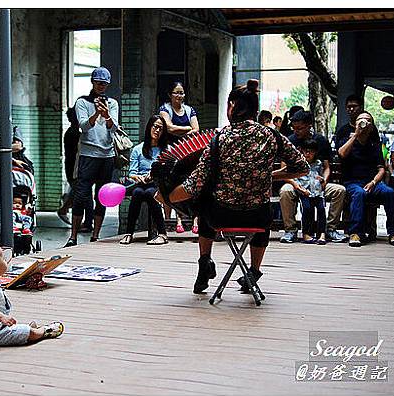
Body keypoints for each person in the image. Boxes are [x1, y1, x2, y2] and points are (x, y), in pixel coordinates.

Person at [156, 79, 309, 294]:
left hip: (222, 216)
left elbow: (195, 184)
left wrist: (167, 196)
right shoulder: (273, 136)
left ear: (232, 107)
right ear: (255, 109)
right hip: (258, 217)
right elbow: (302, 167)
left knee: (207, 198)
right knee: (262, 211)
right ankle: (253, 272)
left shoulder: (219, 138)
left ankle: (204, 262)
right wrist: (269, 176)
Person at [0, 241, 64, 346]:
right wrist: (2, 317)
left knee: (19, 329)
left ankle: (25, 330)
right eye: (4, 259)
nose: (6, 260)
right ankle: (43, 331)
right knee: (29, 332)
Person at [64, 67, 119, 247]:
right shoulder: (82, 102)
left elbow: (114, 129)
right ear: (93, 82)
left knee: (102, 196)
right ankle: (73, 236)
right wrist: (96, 113)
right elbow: (84, 127)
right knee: (81, 195)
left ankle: (96, 236)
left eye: (104, 83)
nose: (101, 86)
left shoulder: (113, 103)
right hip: (88, 155)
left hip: (107, 155)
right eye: (98, 82)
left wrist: (107, 115)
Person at [278, 110, 347, 243]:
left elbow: (326, 167)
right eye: (294, 128)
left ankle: (330, 229)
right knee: (285, 191)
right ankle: (290, 230)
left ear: (309, 125)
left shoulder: (320, 141)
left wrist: (324, 181)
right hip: (295, 181)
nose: (296, 131)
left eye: (300, 128)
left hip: (316, 183)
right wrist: (295, 184)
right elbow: (283, 169)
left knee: (339, 190)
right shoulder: (290, 140)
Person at [335, 111, 394, 247]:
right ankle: (355, 233)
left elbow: (381, 169)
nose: (364, 123)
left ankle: (393, 233)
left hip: (373, 183)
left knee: (390, 193)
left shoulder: (375, 145)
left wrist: (373, 182)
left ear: (371, 127)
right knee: (359, 193)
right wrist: (356, 134)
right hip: (352, 183)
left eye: (367, 120)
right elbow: (341, 153)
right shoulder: (348, 141)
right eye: (361, 120)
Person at [119, 115, 169, 245]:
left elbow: (168, 171)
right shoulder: (138, 149)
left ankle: (162, 234)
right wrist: (139, 177)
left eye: (161, 129)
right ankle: (129, 233)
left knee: (149, 193)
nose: (157, 131)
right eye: (155, 127)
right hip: (141, 183)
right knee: (137, 193)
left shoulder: (166, 150)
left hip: (158, 183)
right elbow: (132, 173)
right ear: (149, 128)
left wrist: (154, 175)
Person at [158, 81, 200, 234]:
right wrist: (188, 129)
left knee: (189, 183)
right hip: (170, 154)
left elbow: (197, 130)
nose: (179, 96)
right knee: (169, 184)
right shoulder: (165, 108)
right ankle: (169, 220)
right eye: (176, 92)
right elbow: (168, 127)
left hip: (188, 154)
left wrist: (178, 131)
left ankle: (192, 218)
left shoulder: (190, 110)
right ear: (170, 94)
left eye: (182, 93)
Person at [56, 108, 93, 231]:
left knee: (83, 193)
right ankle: (66, 211)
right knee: (83, 194)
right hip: (75, 168)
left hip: (75, 167)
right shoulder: (74, 134)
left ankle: (85, 221)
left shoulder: (74, 132)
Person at [294, 139, 327, 244]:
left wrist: (322, 180)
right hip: (305, 191)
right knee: (307, 208)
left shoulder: (318, 163)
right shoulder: (300, 163)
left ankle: (322, 233)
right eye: (306, 151)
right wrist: (300, 188)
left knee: (321, 209)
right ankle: (306, 233)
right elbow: (294, 177)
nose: (308, 154)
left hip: (317, 192)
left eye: (311, 151)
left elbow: (321, 175)